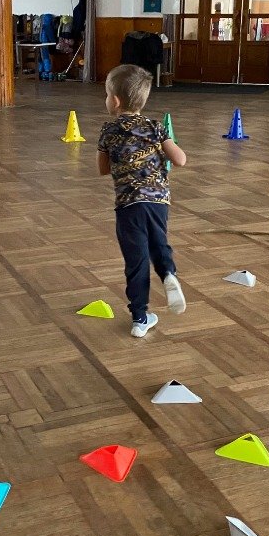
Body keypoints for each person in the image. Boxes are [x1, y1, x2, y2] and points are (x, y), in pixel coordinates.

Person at [97, 64, 187, 338]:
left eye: (106, 95)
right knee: (158, 242)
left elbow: (102, 169)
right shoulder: (155, 127)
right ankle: (168, 273)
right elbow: (180, 159)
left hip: (128, 205)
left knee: (136, 260)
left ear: (115, 101)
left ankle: (139, 318)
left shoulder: (108, 130)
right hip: (158, 201)